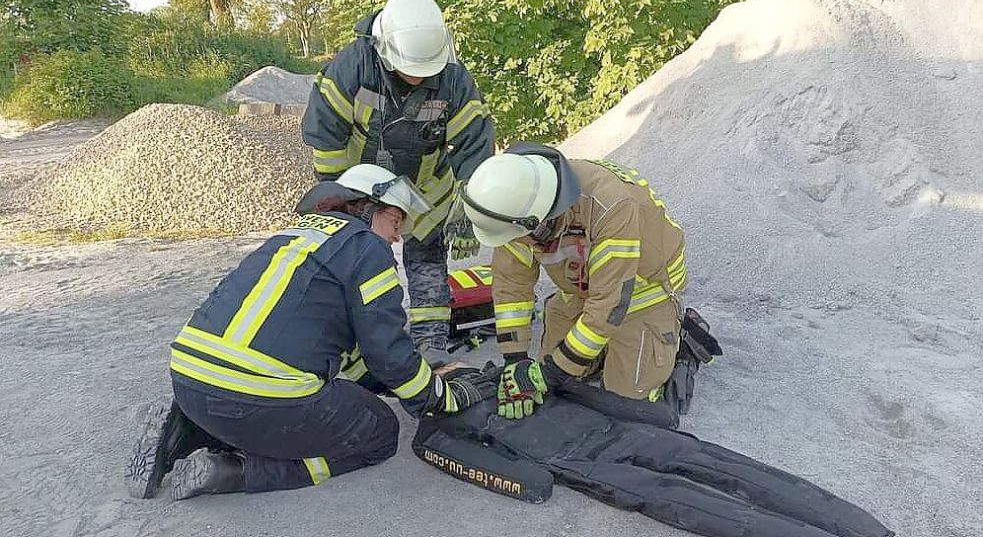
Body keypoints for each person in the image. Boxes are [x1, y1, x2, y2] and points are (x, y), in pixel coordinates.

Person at [124, 164, 482, 501]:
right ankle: (235, 471)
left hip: (189, 383)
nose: (396, 237)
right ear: (367, 208)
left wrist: (380, 383)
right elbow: (387, 352)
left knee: (280, 399)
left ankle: (180, 432)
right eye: (394, 221)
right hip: (257, 399)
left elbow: (342, 349)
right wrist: (437, 397)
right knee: (378, 431)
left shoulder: (292, 237)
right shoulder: (367, 248)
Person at [413, 366, 896, 537]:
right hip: (604, 443)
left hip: (596, 449)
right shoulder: (447, 421)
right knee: (722, 477)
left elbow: (530, 484)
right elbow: (527, 482)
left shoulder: (453, 415)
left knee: (700, 494)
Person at [302, 0, 495, 363]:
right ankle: (356, 348)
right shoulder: (354, 66)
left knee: (427, 264)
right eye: (410, 69)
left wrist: (470, 209)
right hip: (360, 189)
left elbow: (474, 143)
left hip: (427, 191)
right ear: (385, 49)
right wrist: (342, 203)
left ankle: (431, 346)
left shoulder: (453, 78)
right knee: (359, 263)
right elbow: (325, 138)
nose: (418, 78)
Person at [460, 142, 690, 418]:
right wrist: (516, 360)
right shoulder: (518, 209)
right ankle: (599, 354)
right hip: (583, 288)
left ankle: (674, 340)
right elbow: (512, 289)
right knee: (559, 380)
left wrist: (552, 372)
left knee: (624, 405)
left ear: (538, 222)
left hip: (644, 291)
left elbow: (610, 304)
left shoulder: (610, 205)